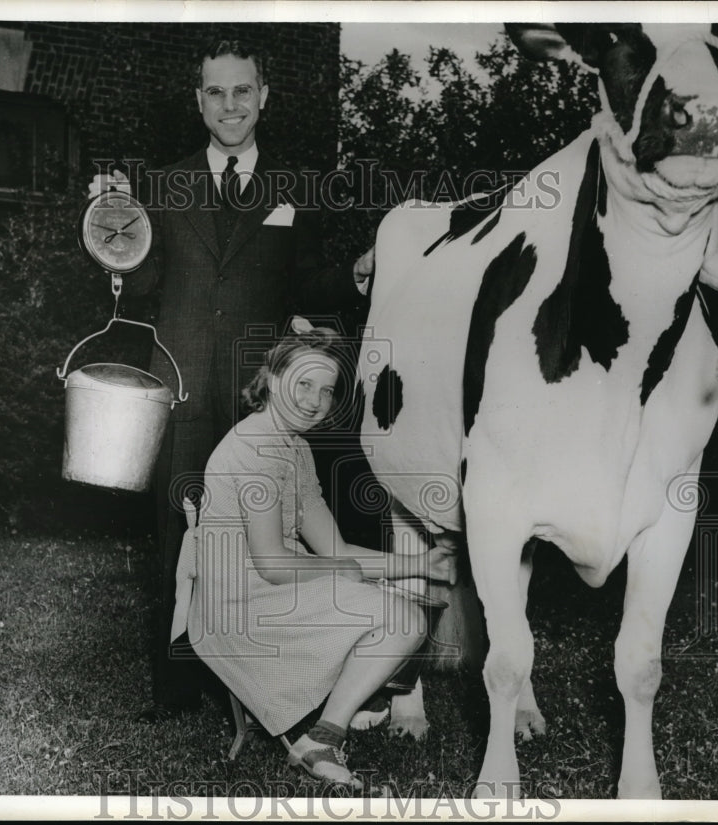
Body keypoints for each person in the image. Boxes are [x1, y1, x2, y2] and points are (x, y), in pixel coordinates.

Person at [88, 38, 376, 719]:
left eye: (241, 91)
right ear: (198, 101)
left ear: (263, 96)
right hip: (180, 383)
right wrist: (110, 235)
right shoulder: (161, 186)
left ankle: (254, 684)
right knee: (180, 527)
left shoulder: (293, 190)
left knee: (261, 537)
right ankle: (177, 687)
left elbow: (301, 283)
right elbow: (144, 276)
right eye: (215, 93)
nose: (230, 105)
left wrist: (355, 276)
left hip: (259, 396)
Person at [170, 318, 456, 789]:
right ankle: (325, 735)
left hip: (267, 593)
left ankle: (332, 720)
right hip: (237, 609)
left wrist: (421, 564)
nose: (314, 401)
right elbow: (275, 564)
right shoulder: (254, 448)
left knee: (397, 607)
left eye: (326, 391)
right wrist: (345, 574)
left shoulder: (295, 449)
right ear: (273, 378)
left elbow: (336, 547)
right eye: (304, 383)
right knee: (403, 619)